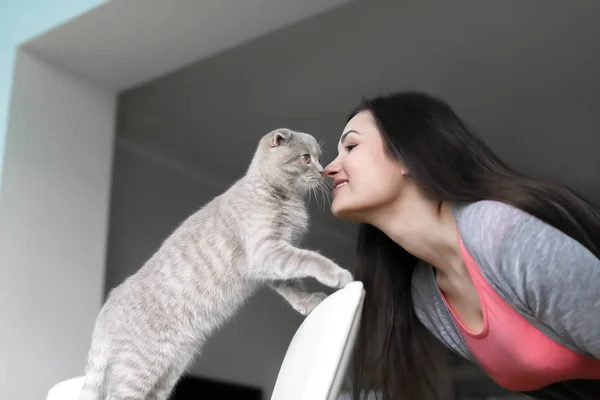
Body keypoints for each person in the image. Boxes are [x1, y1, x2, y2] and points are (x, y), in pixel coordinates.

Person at [322, 91, 600, 400]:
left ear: (407, 157)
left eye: (350, 146)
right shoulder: (427, 295)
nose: (329, 167)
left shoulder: (499, 231)